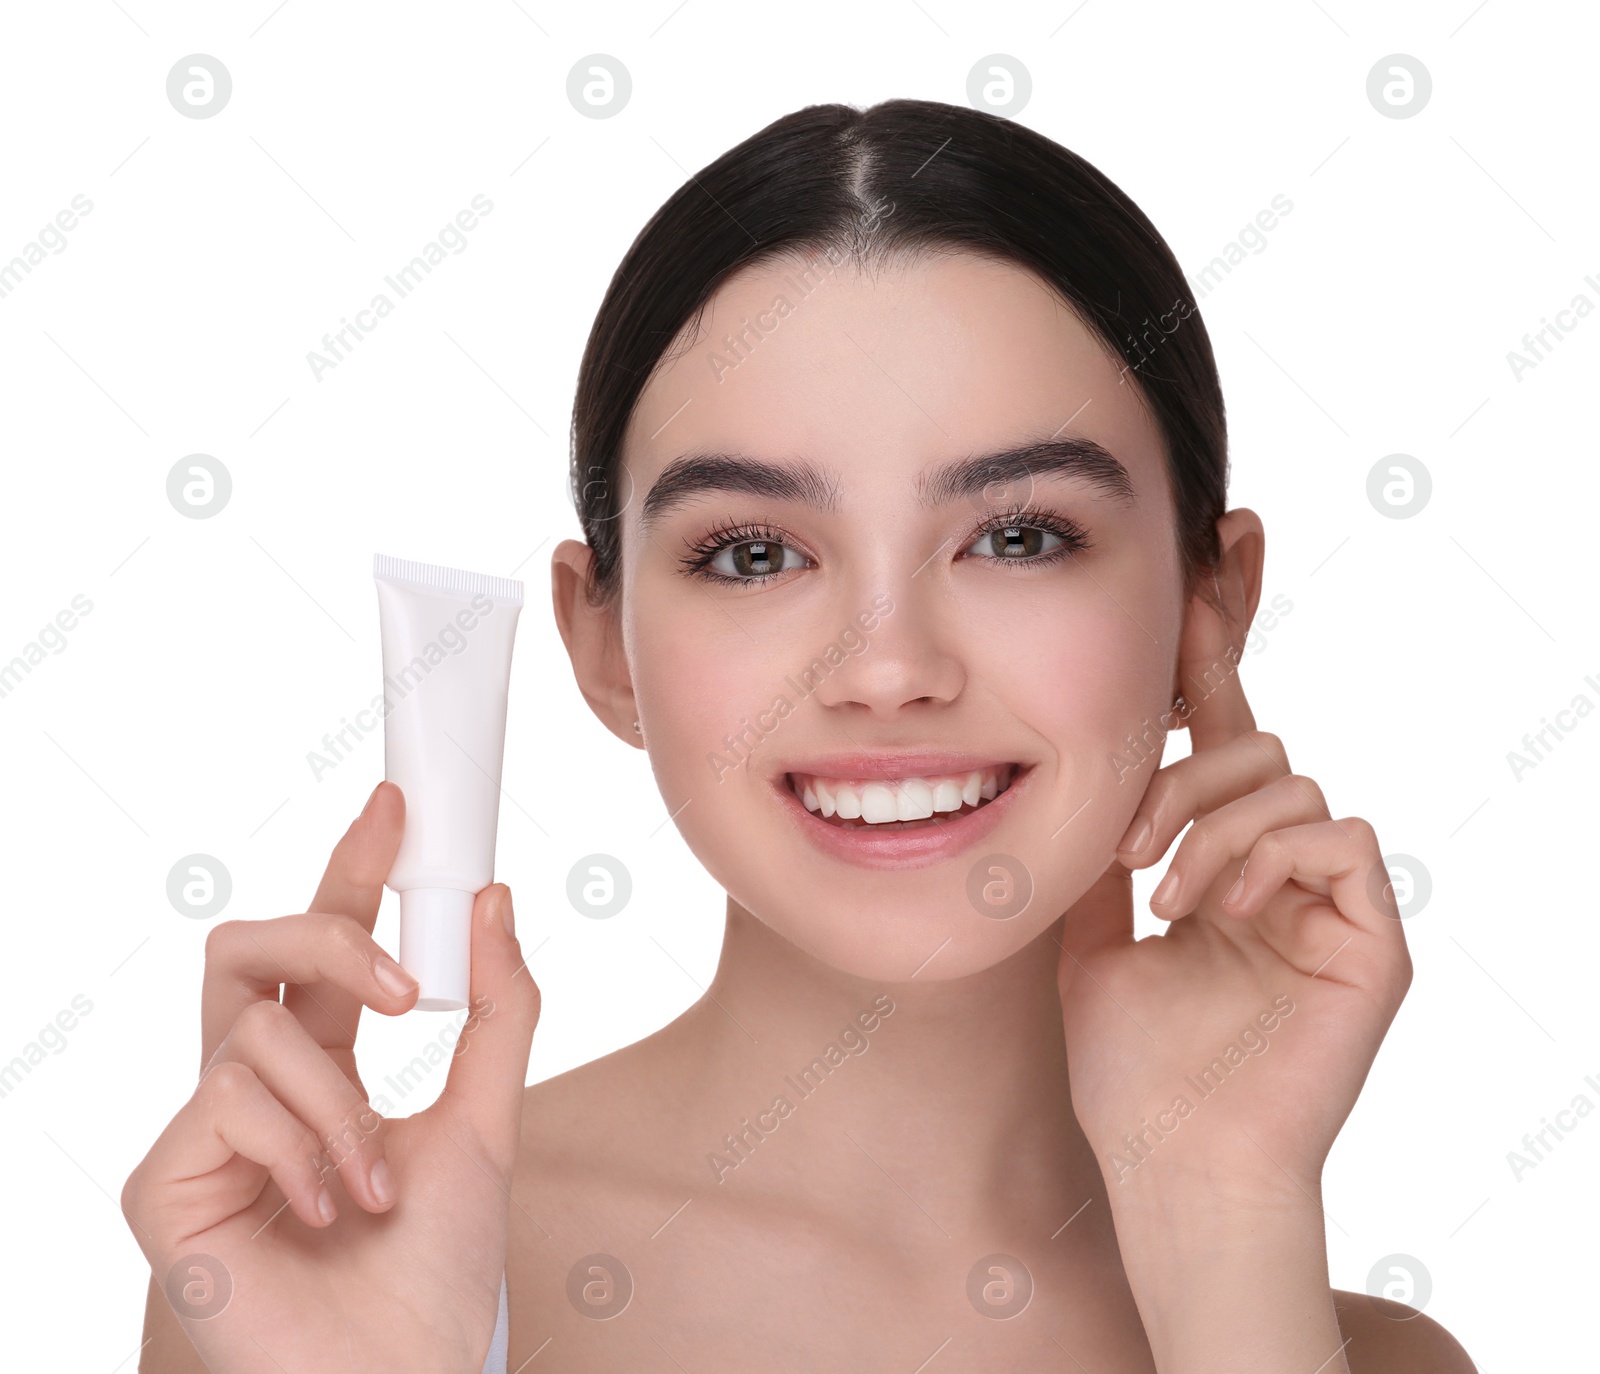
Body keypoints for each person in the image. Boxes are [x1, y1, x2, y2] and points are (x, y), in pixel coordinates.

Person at [122, 98, 1478, 1372]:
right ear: (604, 643)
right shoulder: (312, 1270)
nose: (887, 668)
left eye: (1018, 535)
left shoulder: (1344, 1342)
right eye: (756, 551)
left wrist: (1230, 1217)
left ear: (1211, 600)